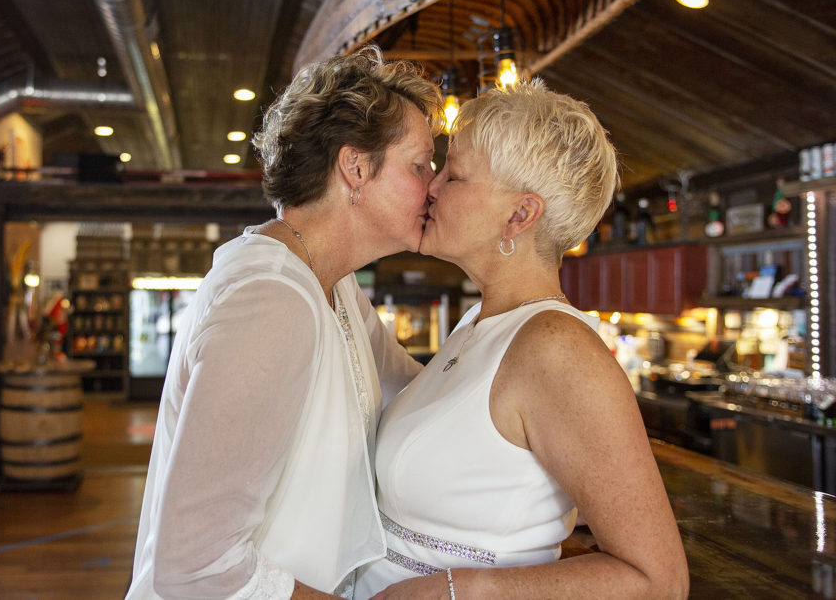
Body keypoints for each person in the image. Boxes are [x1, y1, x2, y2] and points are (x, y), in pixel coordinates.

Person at [126, 45, 444, 599]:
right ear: (356, 167)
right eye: (420, 165)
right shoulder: (271, 300)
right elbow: (195, 568)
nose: (434, 186)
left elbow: (417, 393)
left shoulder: (334, 283)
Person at [356, 80, 688, 599]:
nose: (432, 187)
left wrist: (454, 590)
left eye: (455, 175)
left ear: (520, 215)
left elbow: (658, 580)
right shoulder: (478, 324)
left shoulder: (557, 347)